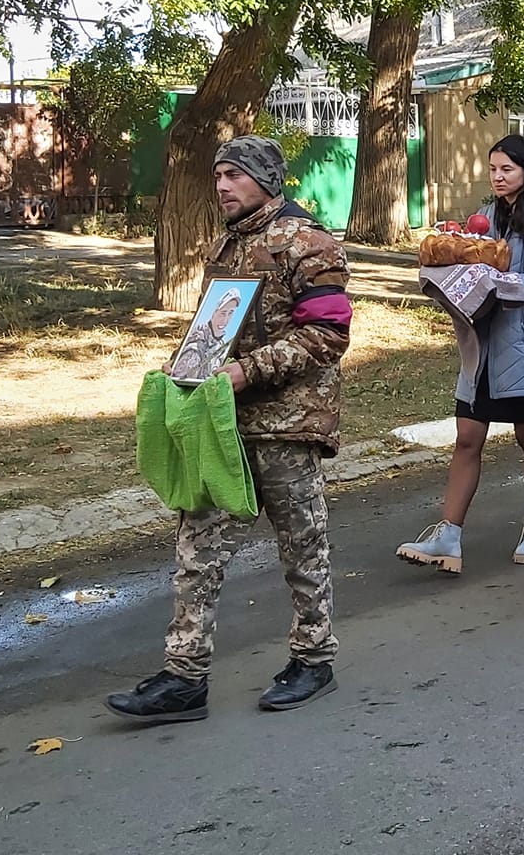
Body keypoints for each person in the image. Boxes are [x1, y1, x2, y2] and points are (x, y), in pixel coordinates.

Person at [107, 135, 353, 724]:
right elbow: (214, 328)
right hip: (221, 423)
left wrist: (248, 372)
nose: (221, 186)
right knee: (197, 547)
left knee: (302, 547)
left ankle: (313, 659)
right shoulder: (227, 245)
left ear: (266, 179)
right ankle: (184, 676)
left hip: (287, 426)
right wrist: (185, 367)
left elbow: (329, 334)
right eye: (218, 175)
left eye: (234, 175)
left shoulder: (309, 243)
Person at [397, 135, 524, 574]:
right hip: (483, 345)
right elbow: (473, 263)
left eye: (507, 169)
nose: (498, 177)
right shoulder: (486, 217)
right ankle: (449, 532)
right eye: (493, 170)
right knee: (468, 436)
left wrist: (494, 284)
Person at [170, 288, 243, 384]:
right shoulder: (197, 341)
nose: (225, 320)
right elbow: (181, 378)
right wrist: (174, 362)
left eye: (230, 313)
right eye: (222, 313)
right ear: (213, 313)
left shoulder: (223, 344)